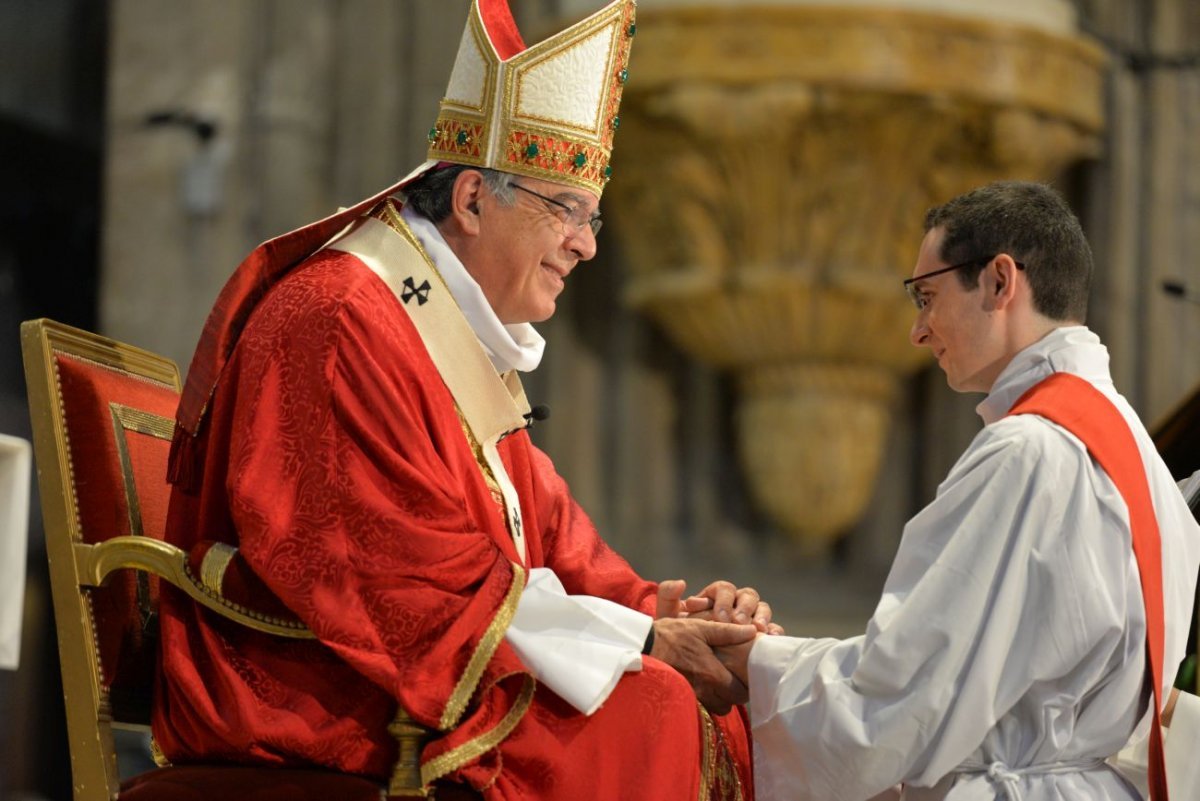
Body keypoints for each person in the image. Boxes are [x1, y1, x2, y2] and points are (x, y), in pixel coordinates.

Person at [153, 1, 772, 799]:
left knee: (701, 697)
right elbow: (388, 564)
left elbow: (546, 534)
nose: (586, 243)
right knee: (653, 704)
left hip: (403, 660)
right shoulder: (341, 321)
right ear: (474, 198)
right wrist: (647, 636)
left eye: (593, 217)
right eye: (567, 210)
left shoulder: (442, 329)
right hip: (311, 687)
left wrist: (671, 608)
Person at [717, 181, 1200, 800]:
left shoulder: (1028, 454)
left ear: (1000, 282)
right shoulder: (1129, 444)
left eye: (927, 297)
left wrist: (751, 662)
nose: (918, 331)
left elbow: (899, 703)